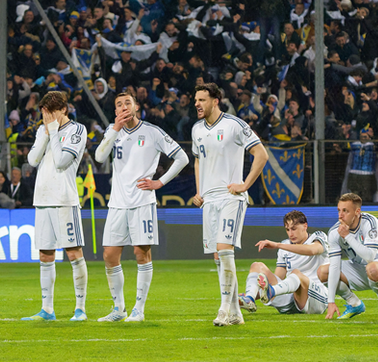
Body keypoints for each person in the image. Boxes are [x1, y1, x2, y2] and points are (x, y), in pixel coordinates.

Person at [93, 92, 188, 322]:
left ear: (136, 106)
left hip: (142, 202)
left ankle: (139, 309)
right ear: (115, 111)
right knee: (109, 255)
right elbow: (98, 157)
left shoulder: (152, 132)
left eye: (128, 102)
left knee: (141, 253)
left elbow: (182, 157)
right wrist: (114, 128)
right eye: (119, 104)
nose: (124, 106)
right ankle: (118, 309)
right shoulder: (112, 131)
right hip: (117, 203)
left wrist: (159, 182)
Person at [191, 83, 269, 326]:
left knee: (225, 249)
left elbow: (261, 154)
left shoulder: (234, 125)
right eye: (196, 100)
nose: (197, 104)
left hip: (230, 197)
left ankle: (224, 309)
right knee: (218, 255)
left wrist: (244, 185)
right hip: (210, 199)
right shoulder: (196, 129)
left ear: (216, 101)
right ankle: (236, 313)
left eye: (202, 100)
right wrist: (199, 191)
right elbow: (197, 161)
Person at [22, 91, 89, 322]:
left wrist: (51, 132)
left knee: (73, 253)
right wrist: (46, 132)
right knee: (45, 254)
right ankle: (47, 310)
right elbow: (32, 160)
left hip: (64, 199)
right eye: (43, 114)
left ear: (63, 110)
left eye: (50, 113)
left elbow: (62, 161)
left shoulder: (77, 130)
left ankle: (80, 309)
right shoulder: (43, 130)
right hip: (42, 199)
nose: (46, 118)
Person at [318, 193, 378, 320]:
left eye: (345, 211)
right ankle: (354, 304)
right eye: (339, 210)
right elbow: (335, 266)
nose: (340, 215)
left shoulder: (370, 222)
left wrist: (348, 236)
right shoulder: (334, 232)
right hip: (360, 269)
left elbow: (370, 256)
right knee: (323, 272)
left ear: (357, 211)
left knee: (372, 268)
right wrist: (331, 301)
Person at [238, 210, 329, 315]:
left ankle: (272, 292)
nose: (291, 233)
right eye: (287, 230)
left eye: (294, 229)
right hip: (291, 299)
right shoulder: (284, 246)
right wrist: (256, 294)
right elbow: (278, 279)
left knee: (296, 273)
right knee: (257, 266)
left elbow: (313, 250)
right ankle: (249, 299)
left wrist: (277, 245)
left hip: (315, 299)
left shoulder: (318, 237)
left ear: (305, 226)